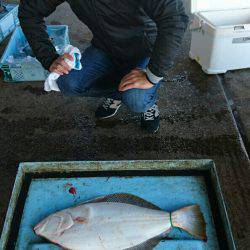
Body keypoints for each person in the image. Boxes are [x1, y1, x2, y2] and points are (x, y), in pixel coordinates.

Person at [18, 0, 189, 133]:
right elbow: (29, 11)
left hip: (145, 49)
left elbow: (175, 18)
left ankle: (148, 102)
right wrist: (48, 57)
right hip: (105, 46)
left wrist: (153, 74)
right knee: (67, 83)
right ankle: (119, 92)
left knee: (137, 100)